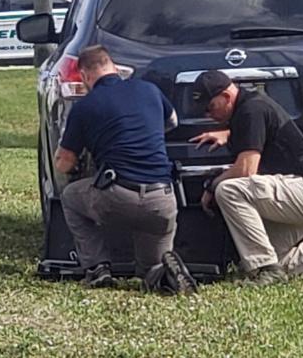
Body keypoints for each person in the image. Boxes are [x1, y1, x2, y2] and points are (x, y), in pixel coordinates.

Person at [189, 70, 303, 287]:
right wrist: (228, 134)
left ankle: (268, 270)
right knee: (256, 258)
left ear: (226, 96)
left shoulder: (252, 110)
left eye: (210, 107)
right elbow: (260, 130)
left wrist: (211, 185)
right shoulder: (249, 108)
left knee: (228, 190)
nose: (207, 115)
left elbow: (246, 170)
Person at [55, 46, 197, 294]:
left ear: (86, 75)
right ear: (113, 66)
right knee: (150, 269)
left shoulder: (85, 107)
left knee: (70, 197)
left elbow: (64, 162)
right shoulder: (149, 90)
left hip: (117, 195)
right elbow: (171, 122)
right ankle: (164, 273)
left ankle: (97, 268)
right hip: (162, 199)